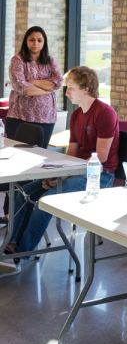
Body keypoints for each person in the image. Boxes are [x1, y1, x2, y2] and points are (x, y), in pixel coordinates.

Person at [2, 66, 118, 274]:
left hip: (100, 175)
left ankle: (21, 253)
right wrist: (55, 174)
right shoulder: (75, 116)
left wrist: (64, 175)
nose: (66, 93)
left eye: (71, 88)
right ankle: (10, 246)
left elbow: (100, 158)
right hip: (75, 170)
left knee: (47, 200)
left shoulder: (105, 113)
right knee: (26, 192)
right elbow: (71, 154)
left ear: (86, 88)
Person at [6, 26, 64, 149]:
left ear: (44, 42)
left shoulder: (50, 61)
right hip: (20, 117)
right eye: (32, 39)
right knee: (18, 156)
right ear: (26, 41)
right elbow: (22, 88)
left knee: (41, 156)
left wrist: (31, 81)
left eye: (39, 40)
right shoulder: (17, 60)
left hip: (46, 118)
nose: (35, 43)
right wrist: (48, 89)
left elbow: (58, 82)